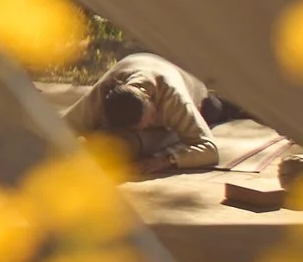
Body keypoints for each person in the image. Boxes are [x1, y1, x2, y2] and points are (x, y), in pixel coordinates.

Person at [64, 53, 220, 175]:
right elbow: (63, 127)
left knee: (215, 110)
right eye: (143, 127)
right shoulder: (105, 92)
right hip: (138, 62)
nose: (150, 126)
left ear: (148, 97)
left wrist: (166, 161)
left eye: (151, 118)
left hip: (197, 93)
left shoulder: (174, 97)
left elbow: (209, 149)